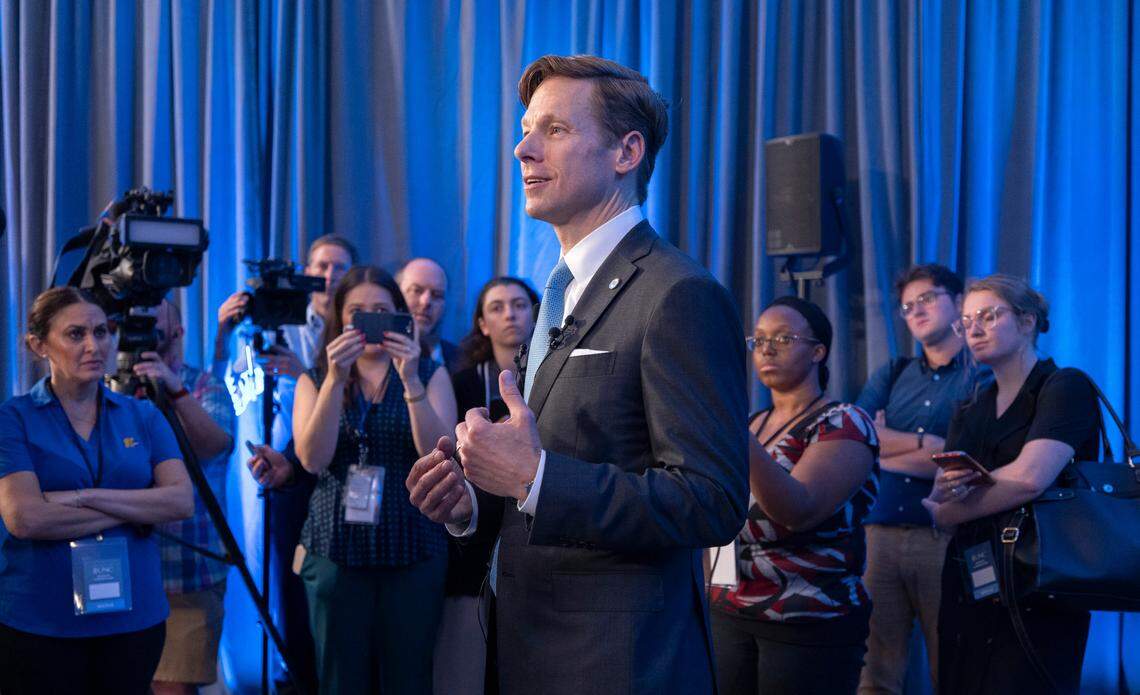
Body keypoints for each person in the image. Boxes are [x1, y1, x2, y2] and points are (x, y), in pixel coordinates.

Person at [406, 54, 749, 694]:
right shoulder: (561, 293)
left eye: (555, 130)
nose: (522, 148)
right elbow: (554, 469)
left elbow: (713, 501)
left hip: (618, 666)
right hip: (530, 651)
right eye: (526, 128)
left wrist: (534, 478)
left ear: (626, 152)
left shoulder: (678, 294)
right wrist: (472, 501)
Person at [0, 287, 194, 694]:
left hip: (133, 620)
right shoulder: (13, 419)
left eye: (102, 331)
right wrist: (139, 507)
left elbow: (179, 500)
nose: (94, 345)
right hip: (39, 621)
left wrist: (81, 497)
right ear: (39, 345)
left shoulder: (142, 415)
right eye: (75, 335)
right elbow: (25, 518)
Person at [923, 274, 1099, 694]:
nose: (973, 329)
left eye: (988, 315)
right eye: (965, 321)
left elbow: (1029, 478)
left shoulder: (1064, 386)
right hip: (971, 578)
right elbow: (937, 494)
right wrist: (948, 504)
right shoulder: (970, 406)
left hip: (1039, 581)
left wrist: (953, 507)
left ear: (1027, 321)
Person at [293, 265, 457, 694]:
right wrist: (335, 378)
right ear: (340, 319)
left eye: (381, 310)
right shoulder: (312, 379)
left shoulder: (430, 374)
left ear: (399, 316)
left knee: (410, 678)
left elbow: (438, 454)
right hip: (335, 549)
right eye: (357, 312)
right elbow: (312, 459)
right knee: (339, 679)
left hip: (413, 546)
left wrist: (410, 379)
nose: (369, 320)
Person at [709, 296, 879, 695]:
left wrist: (732, 428)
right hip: (730, 610)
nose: (766, 348)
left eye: (783, 338)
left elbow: (795, 510)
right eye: (760, 339)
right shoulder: (754, 422)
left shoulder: (843, 422)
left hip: (807, 618)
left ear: (818, 351)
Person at [218, 234, 358, 692]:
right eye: (321, 266)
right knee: (283, 581)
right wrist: (227, 335)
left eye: (340, 267)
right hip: (280, 476)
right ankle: (285, 671)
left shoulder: (353, 331)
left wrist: (305, 375)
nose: (329, 276)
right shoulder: (266, 328)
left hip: (335, 477)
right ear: (304, 271)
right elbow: (236, 397)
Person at [856, 265, 990, 694]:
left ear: (957, 303)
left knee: (951, 662)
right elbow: (860, 440)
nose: (915, 311)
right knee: (876, 671)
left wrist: (889, 448)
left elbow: (964, 460)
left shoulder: (982, 374)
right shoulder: (893, 372)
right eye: (908, 306)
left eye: (927, 299)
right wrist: (923, 442)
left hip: (947, 536)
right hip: (879, 536)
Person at [435, 276, 538, 695]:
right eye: (497, 307)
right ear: (481, 323)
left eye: (519, 304)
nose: (510, 314)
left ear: (537, 312)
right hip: (476, 536)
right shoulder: (460, 384)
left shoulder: (554, 380)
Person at [131, 301, 236, 695]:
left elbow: (215, 445)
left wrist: (173, 391)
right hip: (124, 567)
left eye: (152, 325)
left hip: (187, 571)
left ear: (176, 331)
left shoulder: (202, 384)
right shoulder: (116, 389)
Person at [397, 257, 463, 374]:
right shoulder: (375, 356)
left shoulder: (462, 363)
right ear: (396, 295)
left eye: (437, 295)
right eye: (416, 290)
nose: (426, 302)